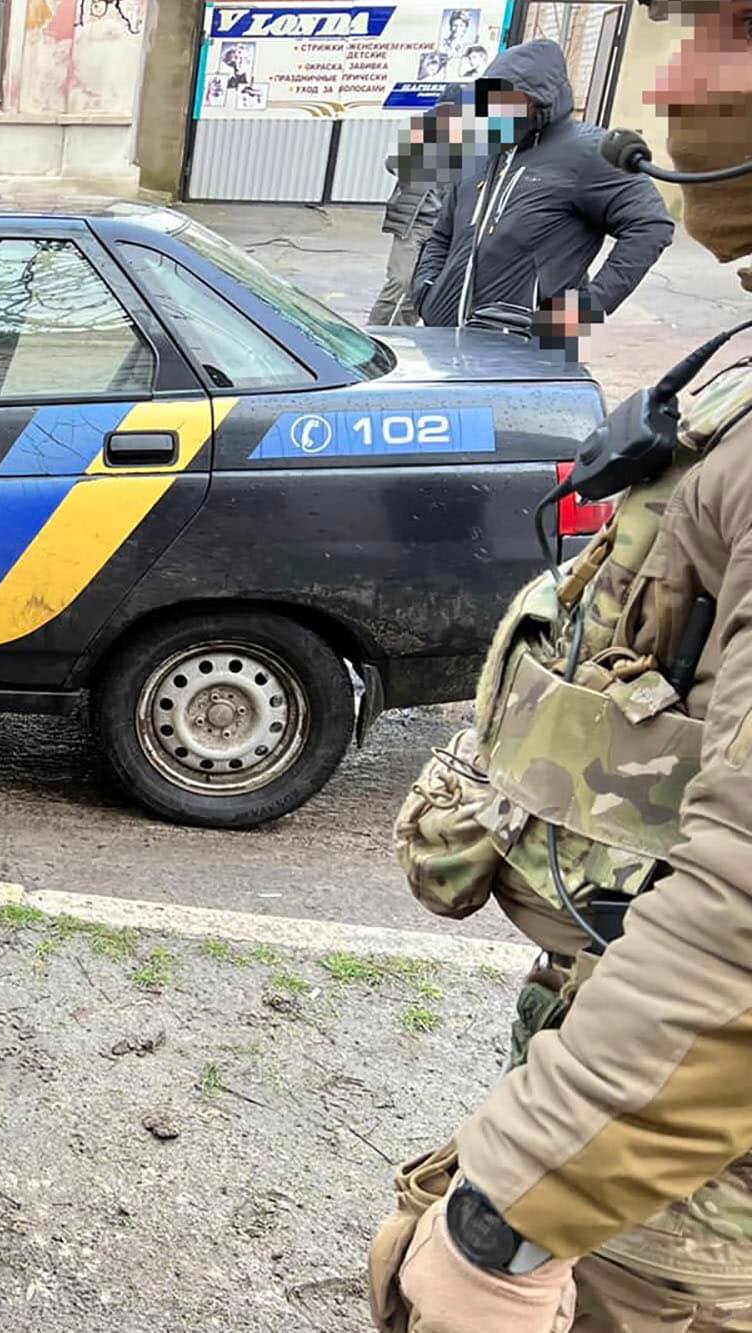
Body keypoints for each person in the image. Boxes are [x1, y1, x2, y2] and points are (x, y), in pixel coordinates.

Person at [373, 1, 752, 1327]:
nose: (684, 79)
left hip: (682, 1182)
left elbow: (746, 909)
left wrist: (506, 1222)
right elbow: (423, 226)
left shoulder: (589, 157)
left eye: (737, 28)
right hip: (626, 1063)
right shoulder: (473, 150)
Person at [409, 39, 672, 331]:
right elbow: (443, 233)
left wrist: (581, 312)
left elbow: (651, 226)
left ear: (541, 100)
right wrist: (426, 289)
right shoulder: (483, 152)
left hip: (530, 350)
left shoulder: (589, 152)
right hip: (444, 337)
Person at [371, 96, 459, 326]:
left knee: (419, 288)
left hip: (441, 229)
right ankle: (375, 333)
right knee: (399, 283)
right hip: (413, 223)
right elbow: (392, 164)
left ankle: (403, 336)